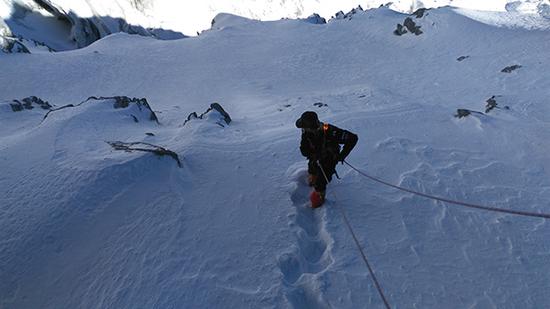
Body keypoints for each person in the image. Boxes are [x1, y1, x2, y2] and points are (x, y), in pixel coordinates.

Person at [295, 111, 358, 208]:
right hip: (315, 157)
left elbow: (353, 138)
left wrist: (342, 155)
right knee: (312, 169)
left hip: (329, 159)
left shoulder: (331, 131)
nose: (303, 129)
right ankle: (314, 179)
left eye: (305, 127)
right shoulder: (306, 132)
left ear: (311, 127)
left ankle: (318, 201)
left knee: (321, 182)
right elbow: (304, 149)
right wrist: (310, 153)